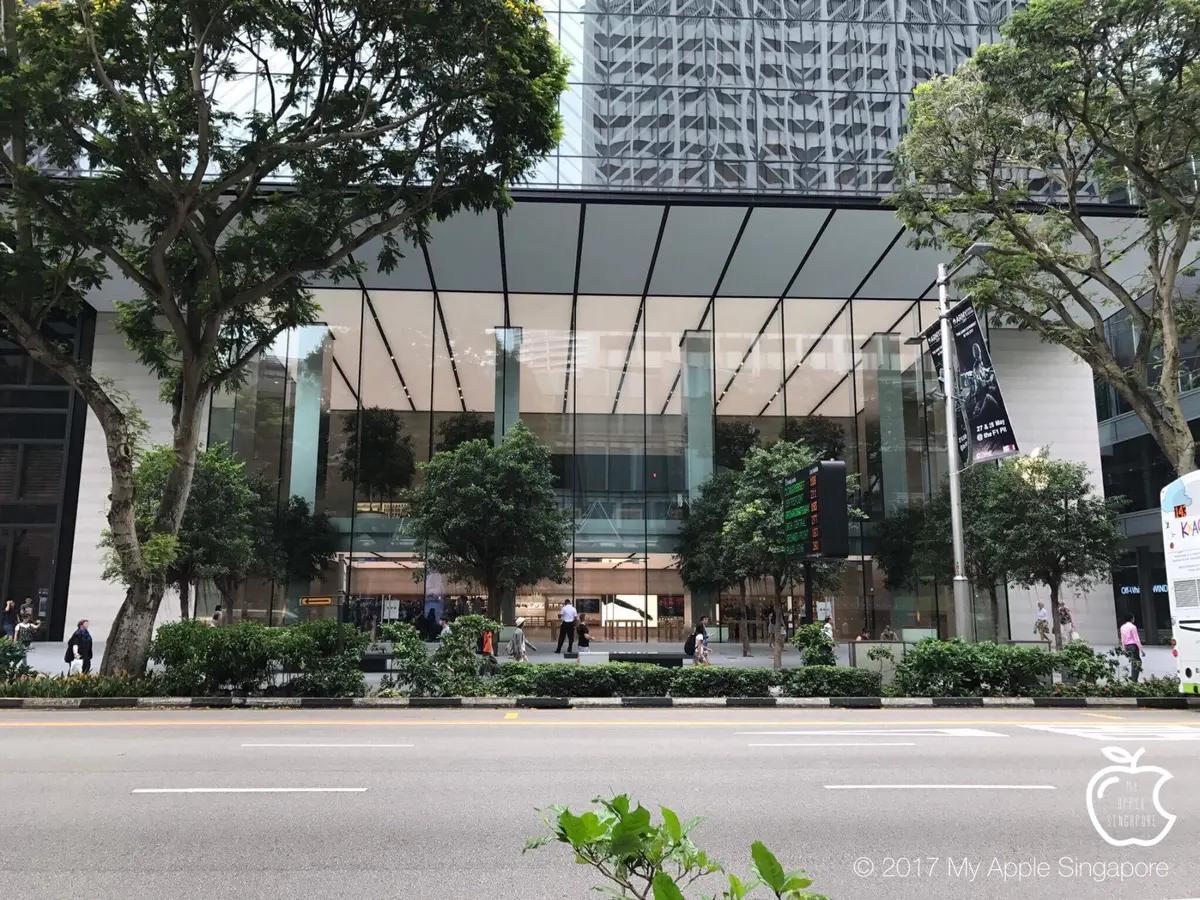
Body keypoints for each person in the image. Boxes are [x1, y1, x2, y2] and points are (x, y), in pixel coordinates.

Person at [1119, 614, 1144, 683]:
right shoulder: (1133, 627)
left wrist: (1124, 648)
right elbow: (1136, 639)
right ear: (1131, 619)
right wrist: (1141, 650)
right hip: (1133, 646)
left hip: (1127, 646)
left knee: (1134, 661)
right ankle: (1134, 679)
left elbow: (1122, 638)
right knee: (1137, 662)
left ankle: (1133, 677)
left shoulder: (1122, 627)